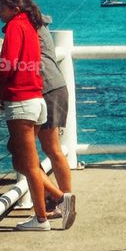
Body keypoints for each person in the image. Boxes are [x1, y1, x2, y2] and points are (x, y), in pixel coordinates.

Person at [0, 0, 76, 232]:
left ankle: (48, 211)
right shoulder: (33, 25)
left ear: (12, 5)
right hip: (38, 97)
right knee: (26, 157)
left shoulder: (16, 27)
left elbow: (9, 62)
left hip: (25, 99)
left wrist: (0, 75)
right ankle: (59, 198)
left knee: (28, 162)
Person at [37, 19, 76, 223]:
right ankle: (59, 199)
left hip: (46, 90)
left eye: (1, 7)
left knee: (45, 150)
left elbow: (13, 58)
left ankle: (62, 200)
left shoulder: (26, 25)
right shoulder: (40, 25)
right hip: (55, 88)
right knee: (52, 150)